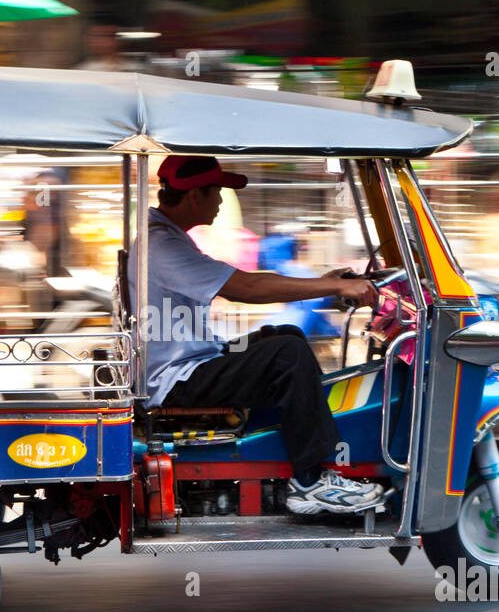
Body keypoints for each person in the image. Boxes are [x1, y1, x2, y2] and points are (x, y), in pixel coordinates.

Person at [128, 154, 384, 515]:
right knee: (287, 355)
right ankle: (310, 480)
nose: (220, 202)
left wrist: (328, 282)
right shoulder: (164, 247)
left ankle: (287, 444)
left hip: (196, 358)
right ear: (194, 195)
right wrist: (332, 287)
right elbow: (246, 287)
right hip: (179, 377)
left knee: (283, 334)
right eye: (216, 192)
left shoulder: (168, 238)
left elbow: (246, 284)